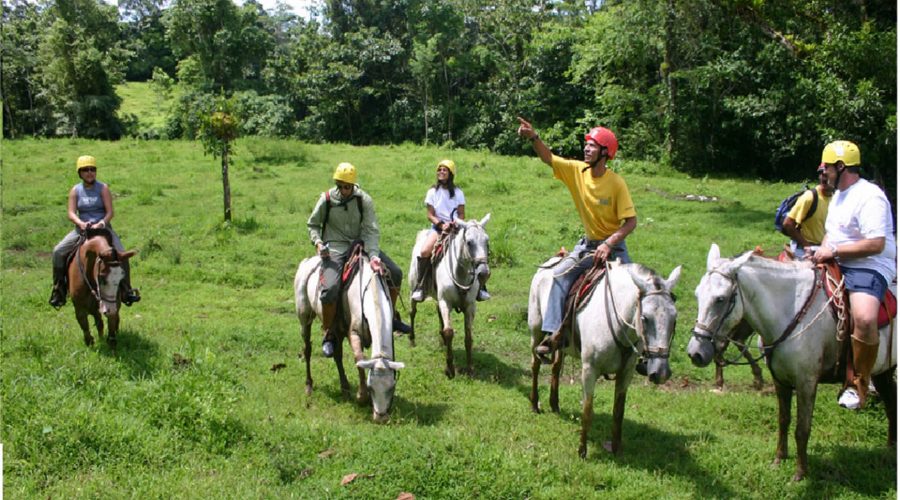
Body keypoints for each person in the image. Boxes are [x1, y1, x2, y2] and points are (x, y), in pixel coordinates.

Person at [516, 117, 637, 359]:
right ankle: (554, 335)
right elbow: (549, 158)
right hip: (587, 247)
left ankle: (642, 352)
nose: (586, 148)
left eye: (592, 145)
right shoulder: (577, 171)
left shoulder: (616, 183)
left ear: (605, 152)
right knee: (559, 276)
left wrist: (609, 243)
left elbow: (631, 222)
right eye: (587, 144)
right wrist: (534, 137)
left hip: (614, 248)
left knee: (636, 291)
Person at [812, 140, 896, 409]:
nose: (822, 174)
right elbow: (832, 233)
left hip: (869, 265)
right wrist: (821, 251)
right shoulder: (839, 195)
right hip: (839, 259)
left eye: (826, 168)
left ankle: (860, 383)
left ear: (840, 167)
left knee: (864, 316)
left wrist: (833, 251)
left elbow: (876, 244)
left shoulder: (870, 196)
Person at [307, 162, 412, 358]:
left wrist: (373, 256)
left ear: (354, 185)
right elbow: (313, 224)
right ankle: (329, 332)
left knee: (395, 273)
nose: (345, 190)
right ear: (337, 184)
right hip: (335, 248)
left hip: (361, 245)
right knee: (329, 289)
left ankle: (391, 316)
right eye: (341, 186)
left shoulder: (364, 200)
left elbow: (371, 230)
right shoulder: (327, 199)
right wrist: (318, 243)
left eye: (348, 186)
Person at [49, 155, 140, 309]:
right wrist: (80, 223)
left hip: (103, 230)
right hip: (82, 230)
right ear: (80, 173)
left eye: (92, 169)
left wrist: (102, 223)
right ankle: (59, 289)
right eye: (85, 170)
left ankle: (126, 289)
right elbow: (71, 213)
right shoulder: (75, 190)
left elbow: (110, 212)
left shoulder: (103, 188)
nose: (89, 173)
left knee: (122, 253)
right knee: (58, 251)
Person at [410, 159, 490, 303]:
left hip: (456, 228)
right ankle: (420, 286)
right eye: (439, 169)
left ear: (450, 174)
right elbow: (430, 214)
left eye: (444, 170)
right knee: (424, 251)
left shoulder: (458, 192)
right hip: (438, 228)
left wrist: (455, 223)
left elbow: (461, 214)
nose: (441, 172)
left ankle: (481, 287)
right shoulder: (432, 192)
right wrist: (441, 225)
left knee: (472, 249)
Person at [781, 163, 834, 259]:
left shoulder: (835, 199)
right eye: (821, 173)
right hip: (802, 250)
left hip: (823, 249)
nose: (823, 177)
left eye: (826, 174)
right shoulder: (810, 197)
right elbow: (788, 223)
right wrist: (807, 246)